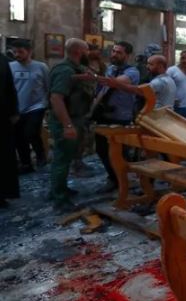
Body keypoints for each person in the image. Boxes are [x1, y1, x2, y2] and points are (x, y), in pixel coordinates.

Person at [48, 39, 93, 211]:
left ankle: (59, 189)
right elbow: (56, 98)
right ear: (78, 52)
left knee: (65, 158)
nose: (88, 54)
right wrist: (67, 125)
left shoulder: (75, 69)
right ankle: (60, 199)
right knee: (62, 159)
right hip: (66, 120)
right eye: (86, 51)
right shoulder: (65, 70)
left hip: (74, 118)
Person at [93, 41, 140, 192]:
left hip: (121, 116)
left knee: (120, 152)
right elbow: (103, 89)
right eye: (113, 51)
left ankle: (123, 181)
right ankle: (113, 177)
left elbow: (114, 83)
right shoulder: (110, 69)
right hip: (104, 114)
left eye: (119, 52)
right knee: (101, 149)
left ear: (127, 55)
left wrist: (93, 76)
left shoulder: (133, 71)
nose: (114, 54)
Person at [10, 39, 49, 172]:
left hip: (36, 105)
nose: (17, 55)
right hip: (17, 107)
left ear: (29, 51)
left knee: (31, 132)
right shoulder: (10, 67)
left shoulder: (41, 67)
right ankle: (26, 163)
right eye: (15, 52)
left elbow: (48, 86)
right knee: (18, 136)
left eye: (20, 52)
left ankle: (40, 156)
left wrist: (47, 103)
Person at [92, 55, 176, 109]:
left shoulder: (160, 81)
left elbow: (139, 91)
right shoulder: (169, 79)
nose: (147, 67)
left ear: (160, 66)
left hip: (158, 119)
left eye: (151, 64)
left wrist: (117, 84)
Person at [0, 52, 19, 208]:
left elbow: (9, 87)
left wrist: (14, 111)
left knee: (3, 156)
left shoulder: (3, 60)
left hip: (2, 116)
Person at [167, 50, 186, 119]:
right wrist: (172, 99)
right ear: (179, 58)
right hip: (177, 107)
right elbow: (165, 86)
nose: (185, 60)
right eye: (183, 58)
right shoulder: (171, 70)